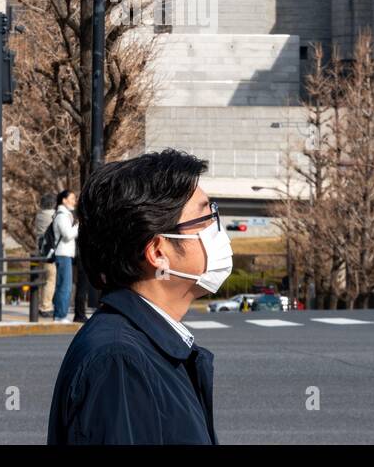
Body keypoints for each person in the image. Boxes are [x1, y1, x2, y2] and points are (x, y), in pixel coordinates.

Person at [48, 149, 229, 445]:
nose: (217, 231)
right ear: (158, 253)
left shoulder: (145, 346)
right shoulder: (119, 362)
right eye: (205, 218)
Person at [51, 189, 78, 321]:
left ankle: (60, 314)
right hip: (63, 254)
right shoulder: (62, 215)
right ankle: (60, 315)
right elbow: (68, 235)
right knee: (64, 286)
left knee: (63, 285)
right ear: (64, 200)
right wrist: (78, 225)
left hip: (66, 254)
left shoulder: (65, 214)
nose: (74, 201)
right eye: (72, 198)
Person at [34, 193, 57, 318]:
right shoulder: (53, 216)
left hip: (40, 251)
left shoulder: (39, 215)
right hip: (50, 252)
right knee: (50, 279)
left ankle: (39, 304)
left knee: (42, 278)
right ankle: (46, 306)